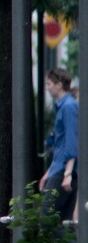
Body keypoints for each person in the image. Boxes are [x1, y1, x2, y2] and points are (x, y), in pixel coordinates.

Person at [39, 69, 77, 221]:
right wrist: (48, 174)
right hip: (60, 169)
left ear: (59, 85)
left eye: (49, 84)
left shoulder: (68, 107)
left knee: (47, 219)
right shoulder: (65, 106)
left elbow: (71, 141)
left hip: (63, 171)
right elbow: (61, 145)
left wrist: (67, 174)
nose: (47, 87)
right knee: (61, 221)